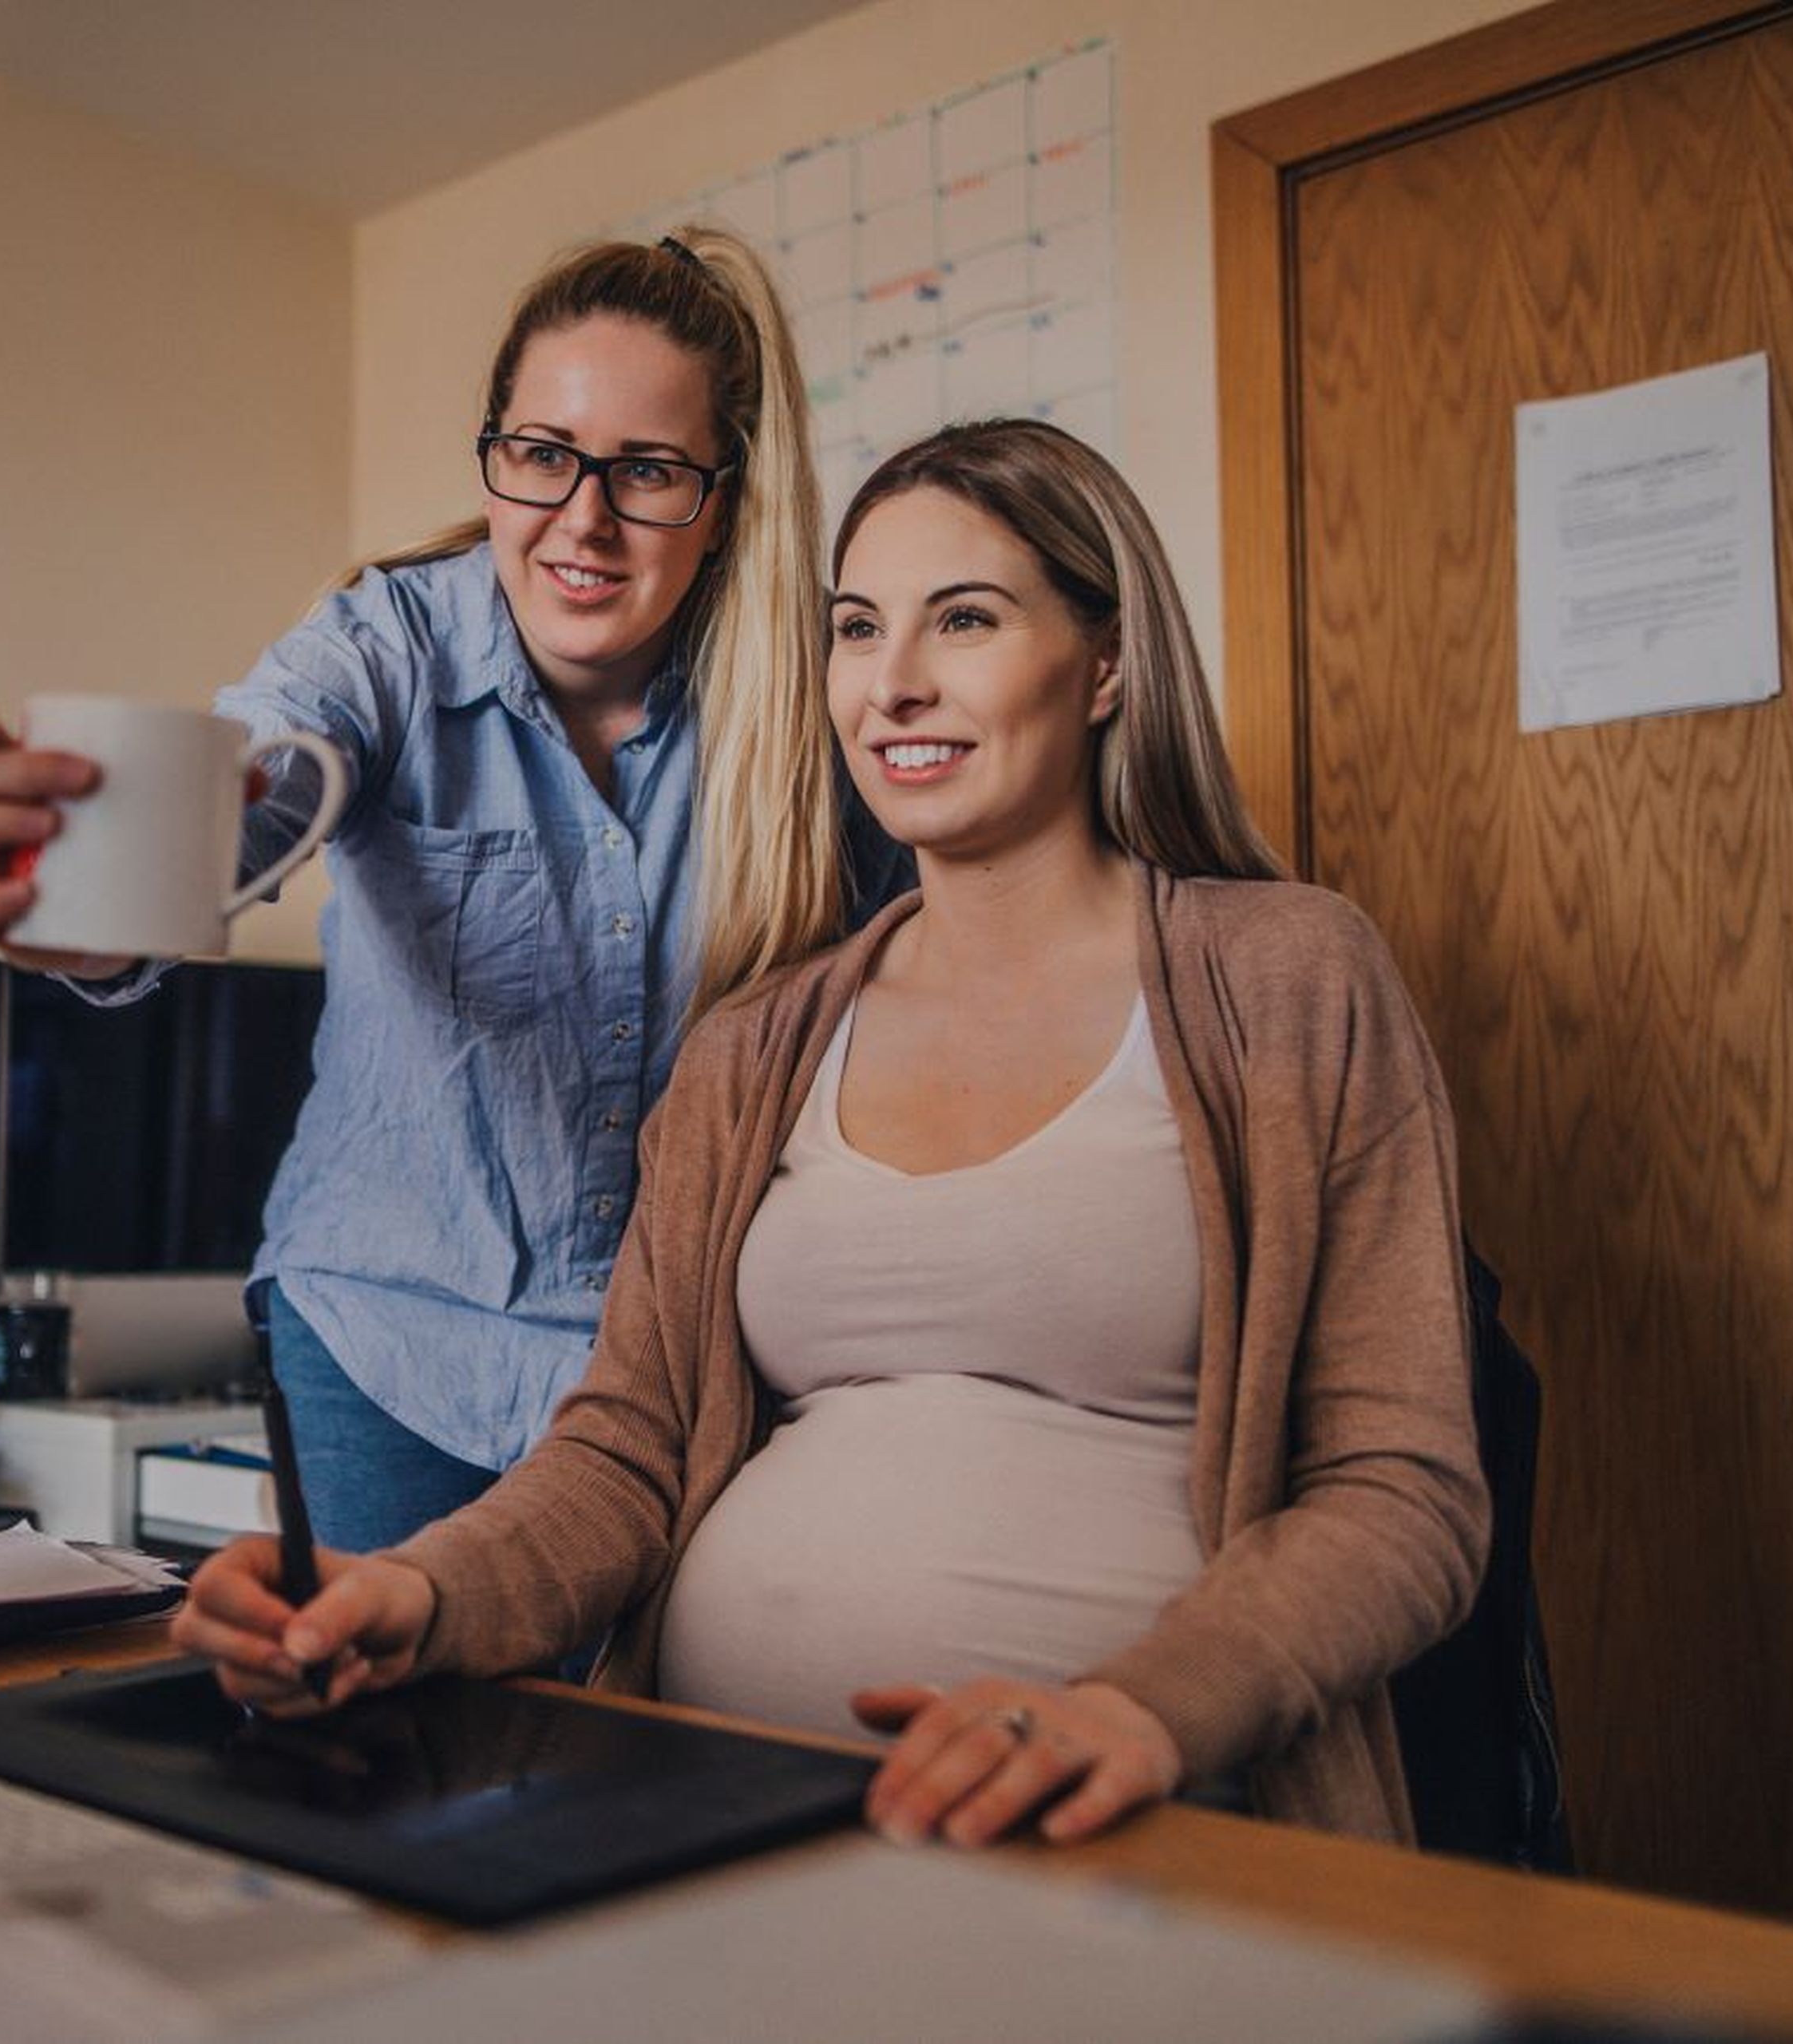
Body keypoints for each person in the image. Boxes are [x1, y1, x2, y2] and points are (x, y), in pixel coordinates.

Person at [172, 417, 1490, 1849]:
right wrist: (418, 1596)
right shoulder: (757, 1040)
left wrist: (1144, 1708)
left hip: (1134, 1831)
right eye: (856, 629)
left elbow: (1401, 1489)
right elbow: (626, 1453)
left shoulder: (1290, 976)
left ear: (1105, 662)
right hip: (722, 1822)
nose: (894, 682)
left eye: (965, 618)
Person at [0, 227, 900, 1552]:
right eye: (542, 454)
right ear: (493, 452)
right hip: (391, 1346)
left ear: (722, 497)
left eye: (649, 471)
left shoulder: (801, 706)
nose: (583, 520)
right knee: (393, 1744)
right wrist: (97, 890)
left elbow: (942, 966)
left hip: (684, 1371)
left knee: (639, 1752)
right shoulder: (381, 644)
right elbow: (260, 786)